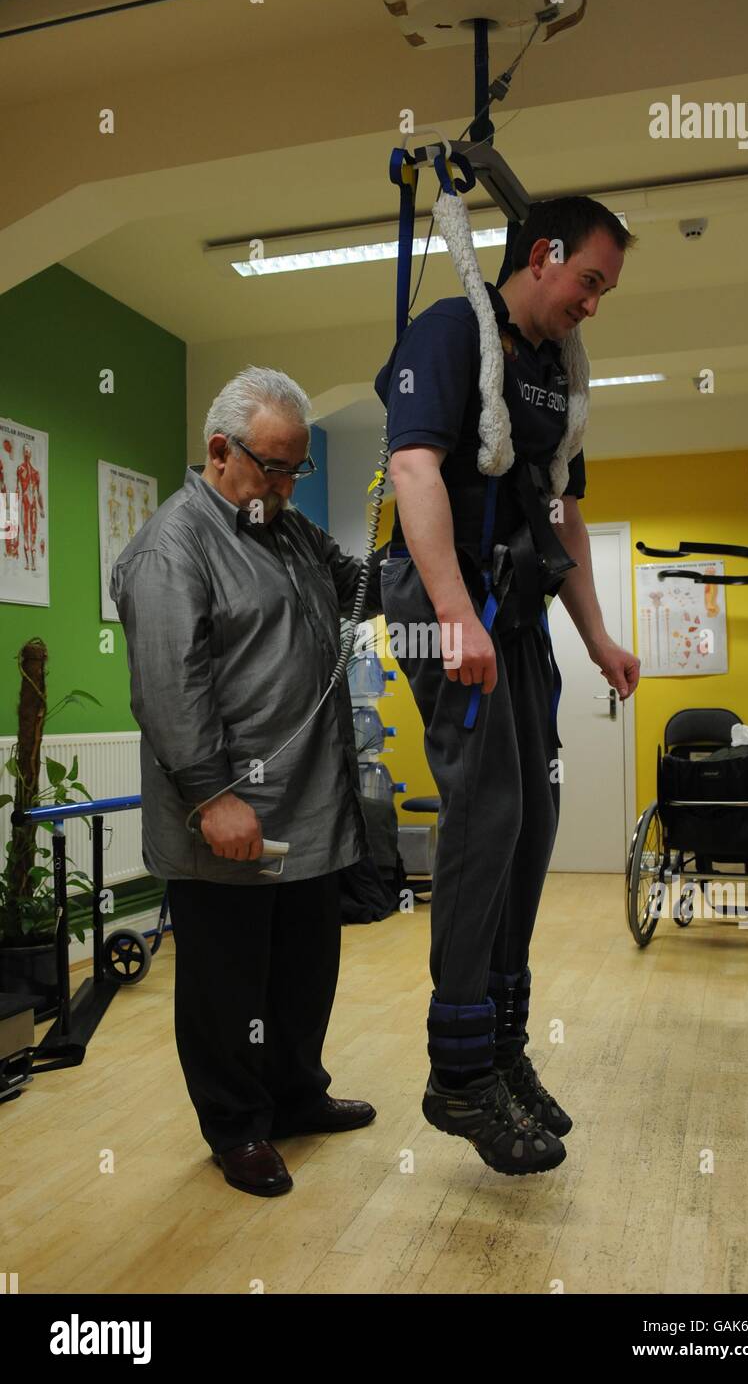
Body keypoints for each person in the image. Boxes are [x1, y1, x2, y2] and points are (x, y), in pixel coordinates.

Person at [375, 196, 642, 1176]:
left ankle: (501, 1047)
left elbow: (562, 508)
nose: (593, 304)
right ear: (545, 253)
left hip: (516, 605)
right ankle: (457, 1071)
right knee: (485, 817)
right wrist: (450, 610)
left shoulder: (550, 373)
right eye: (590, 282)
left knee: (530, 823)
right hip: (450, 600)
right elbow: (412, 468)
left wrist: (599, 633)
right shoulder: (452, 332)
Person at [111, 367, 379, 1198]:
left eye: (297, 469)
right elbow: (167, 688)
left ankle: (296, 1096)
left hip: (307, 803)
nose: (287, 484)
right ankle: (235, 1127)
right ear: (219, 451)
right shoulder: (171, 548)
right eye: (274, 467)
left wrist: (413, 508)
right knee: (228, 986)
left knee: (303, 968)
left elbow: (356, 589)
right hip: (223, 812)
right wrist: (210, 796)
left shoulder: (287, 530)